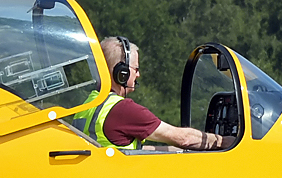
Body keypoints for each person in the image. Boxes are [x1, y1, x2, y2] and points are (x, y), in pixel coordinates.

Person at [78, 36, 225, 150]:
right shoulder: (123, 110)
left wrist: (175, 150)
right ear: (121, 72)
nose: (138, 75)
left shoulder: (89, 104)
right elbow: (183, 138)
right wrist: (223, 141)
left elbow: (127, 149)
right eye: (135, 69)